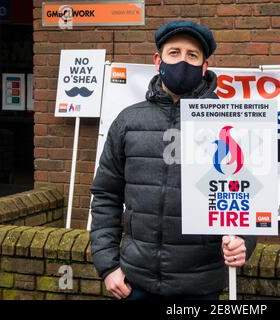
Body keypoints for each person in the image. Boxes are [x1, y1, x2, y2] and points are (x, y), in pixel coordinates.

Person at [90, 20, 257, 300]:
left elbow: (248, 195)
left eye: (192, 55)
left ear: (204, 66)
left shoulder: (230, 123)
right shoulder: (128, 121)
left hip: (200, 284)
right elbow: (106, 194)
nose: (183, 61)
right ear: (158, 60)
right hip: (135, 281)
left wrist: (244, 242)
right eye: (174, 53)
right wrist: (108, 266)